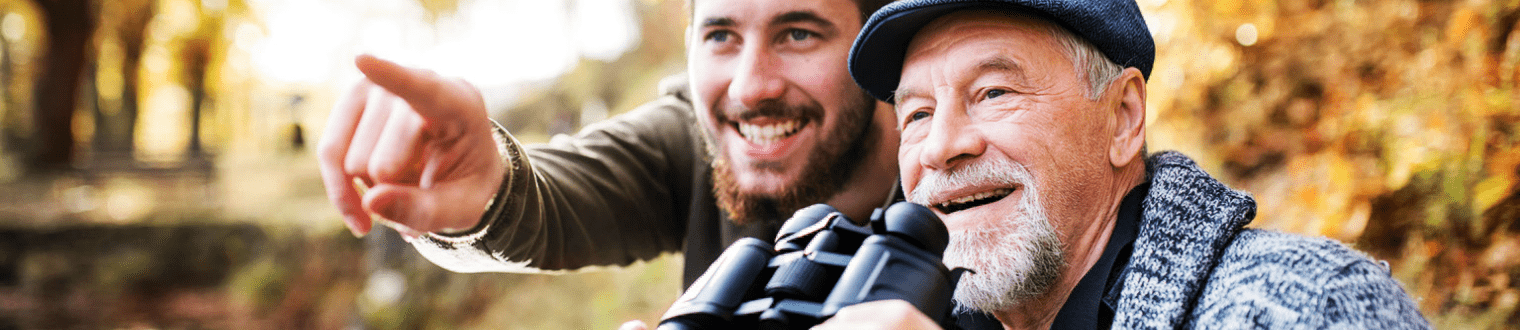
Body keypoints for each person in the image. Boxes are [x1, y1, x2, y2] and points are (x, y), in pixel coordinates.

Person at [815, 0, 1432, 328]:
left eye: (994, 93)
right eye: (916, 114)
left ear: (1123, 118)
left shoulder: (1307, 307)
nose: (940, 146)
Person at [317, 0, 899, 288]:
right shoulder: (694, 147)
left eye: (798, 33)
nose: (751, 86)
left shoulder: (965, 170)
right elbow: (550, 199)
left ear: (875, 52)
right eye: (720, 35)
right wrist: (481, 187)